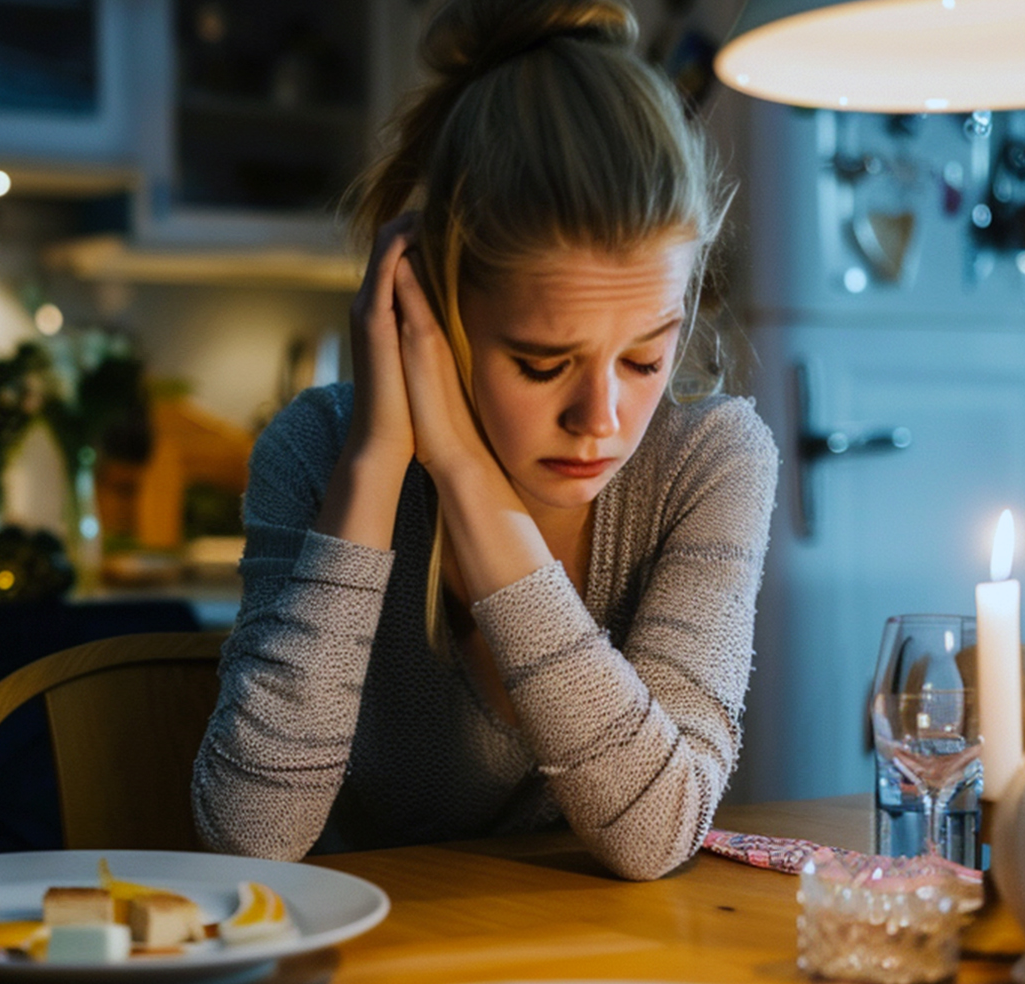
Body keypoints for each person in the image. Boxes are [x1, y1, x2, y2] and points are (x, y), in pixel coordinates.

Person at [192, 0, 777, 881]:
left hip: (592, 978)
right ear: (432, 306)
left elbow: (658, 834)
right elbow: (250, 835)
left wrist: (467, 473)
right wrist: (376, 465)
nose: (601, 418)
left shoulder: (711, 460)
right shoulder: (313, 451)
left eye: (645, 359)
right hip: (363, 974)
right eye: (543, 364)